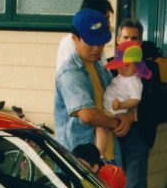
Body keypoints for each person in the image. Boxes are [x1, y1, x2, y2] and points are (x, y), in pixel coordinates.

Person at [110, 19, 167, 188]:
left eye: (134, 38)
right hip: (111, 133)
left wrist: (133, 115)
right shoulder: (108, 67)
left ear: (140, 42)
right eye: (125, 37)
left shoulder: (150, 68)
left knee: (135, 187)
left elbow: (152, 101)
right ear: (117, 40)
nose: (129, 41)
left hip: (139, 133)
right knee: (110, 183)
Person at [54, 9, 131, 161]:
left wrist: (127, 116)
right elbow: (87, 116)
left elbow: (119, 99)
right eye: (90, 42)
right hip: (80, 159)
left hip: (109, 154)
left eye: (101, 42)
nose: (97, 48)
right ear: (75, 38)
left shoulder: (100, 68)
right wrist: (116, 123)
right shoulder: (70, 73)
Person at [98, 41, 151, 160]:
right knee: (99, 129)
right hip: (110, 108)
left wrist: (121, 105)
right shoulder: (123, 76)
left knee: (100, 126)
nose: (122, 69)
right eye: (119, 65)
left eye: (126, 65)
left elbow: (135, 100)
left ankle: (99, 156)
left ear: (137, 65)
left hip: (115, 111)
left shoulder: (134, 81)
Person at [56, 0, 112, 71]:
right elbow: (72, 76)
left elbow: (105, 72)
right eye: (106, 18)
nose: (108, 23)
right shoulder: (69, 42)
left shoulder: (97, 40)